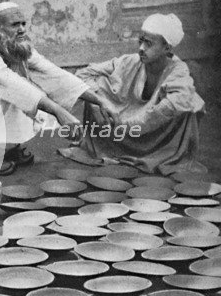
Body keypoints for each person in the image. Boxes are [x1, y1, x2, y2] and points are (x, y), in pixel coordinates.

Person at [0, 2, 114, 175]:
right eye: (15, 25)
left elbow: (52, 73)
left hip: (1, 100)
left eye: (23, 23)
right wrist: (59, 112)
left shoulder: (15, 45)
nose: (22, 29)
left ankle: (10, 149)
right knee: (16, 94)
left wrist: (99, 100)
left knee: (25, 92)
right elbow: (17, 88)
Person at [59, 13, 206, 175]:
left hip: (153, 134)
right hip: (119, 125)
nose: (141, 48)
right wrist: (100, 101)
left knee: (189, 104)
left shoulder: (178, 70)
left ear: (167, 48)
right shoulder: (130, 61)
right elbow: (83, 74)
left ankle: (156, 156)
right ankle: (110, 149)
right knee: (94, 86)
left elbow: (174, 104)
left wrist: (131, 125)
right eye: (141, 41)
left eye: (149, 44)